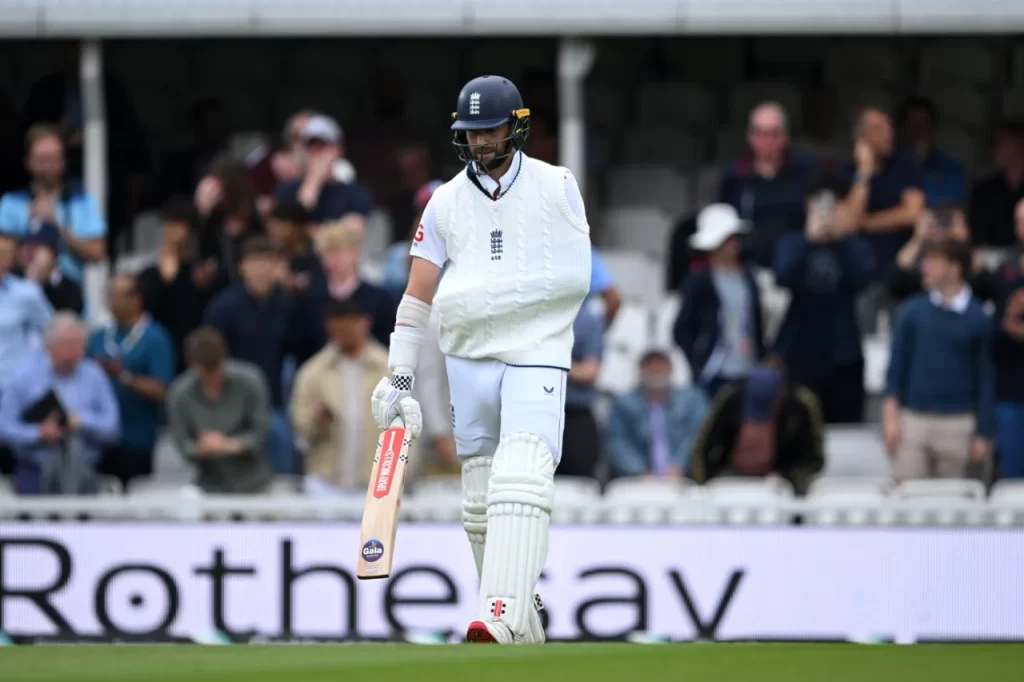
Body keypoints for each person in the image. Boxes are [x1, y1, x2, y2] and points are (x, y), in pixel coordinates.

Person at [369, 75, 591, 644]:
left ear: (515, 126)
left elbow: (575, 279)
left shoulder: (555, 185)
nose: (480, 143)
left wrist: (505, 305)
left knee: (522, 474)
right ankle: (525, 619)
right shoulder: (444, 201)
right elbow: (417, 296)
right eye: (470, 133)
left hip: (535, 351)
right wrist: (399, 376)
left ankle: (499, 610)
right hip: (467, 357)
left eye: (490, 130)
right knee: (480, 496)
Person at [203, 236, 324, 475]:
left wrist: (300, 295)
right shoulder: (223, 308)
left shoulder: (290, 306)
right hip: (233, 407)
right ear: (242, 267)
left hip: (276, 404)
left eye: (268, 262)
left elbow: (309, 351)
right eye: (255, 262)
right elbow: (210, 359)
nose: (261, 270)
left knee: (283, 472)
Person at [883, 239, 995, 482]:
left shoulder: (978, 318)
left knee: (953, 508)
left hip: (959, 423)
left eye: (933, 261)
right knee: (908, 502)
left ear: (954, 268)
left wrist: (983, 432)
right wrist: (891, 417)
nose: (925, 267)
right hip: (913, 421)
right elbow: (895, 370)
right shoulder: (911, 312)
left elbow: (986, 377)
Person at [773, 166, 876, 424]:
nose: (827, 209)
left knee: (846, 428)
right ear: (808, 204)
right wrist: (810, 239)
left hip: (844, 354)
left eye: (834, 204)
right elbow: (782, 277)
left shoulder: (855, 245)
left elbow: (863, 279)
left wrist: (841, 238)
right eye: (820, 203)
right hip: (800, 354)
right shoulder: (792, 243)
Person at [0, 313, 119, 495]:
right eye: (68, 344)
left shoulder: (95, 376)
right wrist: (38, 433)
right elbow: (4, 427)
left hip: (84, 473)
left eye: (80, 344)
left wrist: (82, 421)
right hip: (34, 470)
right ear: (49, 346)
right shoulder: (24, 377)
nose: (75, 351)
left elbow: (113, 427)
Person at [290, 297, 389, 496]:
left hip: (375, 482)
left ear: (364, 323)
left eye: (349, 326)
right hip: (325, 483)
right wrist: (316, 420)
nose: (344, 333)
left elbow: (406, 424)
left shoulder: (388, 370)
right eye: (338, 327)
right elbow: (300, 427)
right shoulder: (313, 373)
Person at [87, 274, 175, 488]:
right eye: (109, 296)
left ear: (136, 299)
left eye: (116, 296)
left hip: (136, 438)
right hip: (98, 440)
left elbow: (162, 390)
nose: (110, 302)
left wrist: (124, 377)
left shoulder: (156, 338)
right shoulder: (99, 337)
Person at [689, 359, 824, 495]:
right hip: (730, 477)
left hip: (780, 484)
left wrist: (786, 477)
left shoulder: (801, 406)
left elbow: (814, 460)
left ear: (780, 394)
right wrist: (701, 488)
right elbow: (701, 448)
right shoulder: (731, 398)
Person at [674, 203, 765, 400]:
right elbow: (681, 328)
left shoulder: (748, 277)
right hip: (714, 372)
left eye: (735, 238)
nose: (733, 244)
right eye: (727, 238)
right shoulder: (699, 279)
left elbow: (756, 321)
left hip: (748, 367)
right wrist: (698, 362)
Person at [166, 328, 272, 494]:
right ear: (192, 365)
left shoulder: (251, 381)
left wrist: (229, 445)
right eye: (205, 374)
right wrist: (202, 448)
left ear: (224, 359)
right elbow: (183, 445)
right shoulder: (180, 393)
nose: (212, 379)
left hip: (255, 485)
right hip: (208, 488)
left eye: (215, 371)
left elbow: (260, 434)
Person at [0, 124, 106, 285]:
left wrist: (59, 227)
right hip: (20, 295)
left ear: (63, 161)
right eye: (43, 159)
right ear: (28, 162)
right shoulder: (11, 202)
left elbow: (98, 253)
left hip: (68, 295)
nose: (49, 166)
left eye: (55, 158)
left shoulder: (81, 202)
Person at [719, 102, 814, 267]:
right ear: (750, 136)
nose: (768, 140)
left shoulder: (805, 172)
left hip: (798, 265)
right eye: (760, 133)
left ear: (786, 136)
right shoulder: (735, 176)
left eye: (774, 133)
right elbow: (724, 226)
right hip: (750, 266)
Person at [138, 197, 226, 374]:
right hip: (164, 354)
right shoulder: (152, 273)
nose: (171, 232)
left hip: (200, 353)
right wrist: (165, 281)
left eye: (177, 225)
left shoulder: (206, 270)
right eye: (167, 225)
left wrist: (203, 287)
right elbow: (145, 312)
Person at [605, 350, 708, 479]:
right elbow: (618, 442)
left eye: (660, 366)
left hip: (686, 477)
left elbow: (697, 435)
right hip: (636, 481)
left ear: (671, 369)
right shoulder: (623, 403)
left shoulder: (692, 400)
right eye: (650, 366)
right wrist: (639, 472)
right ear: (640, 371)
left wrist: (679, 466)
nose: (656, 370)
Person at [557, 306, 605, 479]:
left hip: (576, 414)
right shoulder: (531, 316)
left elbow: (590, 372)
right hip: (536, 412)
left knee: (581, 485)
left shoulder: (588, 320)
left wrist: (550, 360)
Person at [14, 221, 83, 314]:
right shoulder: (9, 282)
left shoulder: (69, 289)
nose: (30, 253)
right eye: (25, 246)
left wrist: (33, 286)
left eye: (37, 247)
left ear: (54, 254)